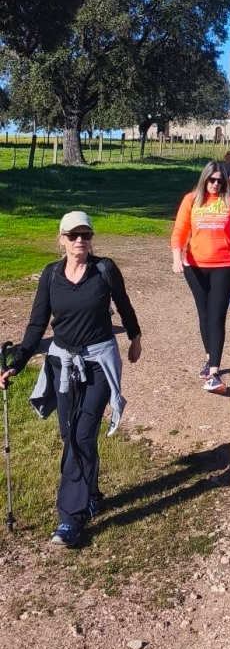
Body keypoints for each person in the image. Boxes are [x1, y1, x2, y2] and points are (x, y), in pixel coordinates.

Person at [0, 211, 142, 549]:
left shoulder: (104, 269)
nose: (80, 240)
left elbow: (123, 304)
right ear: (62, 239)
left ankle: (70, 518)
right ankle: (91, 495)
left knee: (81, 434)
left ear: (91, 239)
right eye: (73, 235)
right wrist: (17, 363)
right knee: (70, 435)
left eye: (86, 235)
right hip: (62, 363)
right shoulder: (51, 275)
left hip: (98, 363)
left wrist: (135, 337)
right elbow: (37, 324)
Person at [171, 161, 230, 393]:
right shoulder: (191, 200)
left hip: (224, 266)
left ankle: (214, 373)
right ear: (204, 179)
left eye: (220, 180)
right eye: (211, 180)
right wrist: (177, 257)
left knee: (216, 316)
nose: (215, 184)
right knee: (204, 314)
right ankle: (209, 358)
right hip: (194, 267)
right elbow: (180, 231)